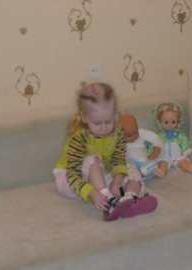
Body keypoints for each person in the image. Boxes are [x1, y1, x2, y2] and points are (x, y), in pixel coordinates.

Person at [53, 82, 158, 221]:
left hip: (100, 175)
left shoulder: (118, 132)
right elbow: (73, 174)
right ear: (84, 117)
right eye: (97, 123)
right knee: (92, 159)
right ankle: (109, 201)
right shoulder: (79, 137)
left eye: (108, 121)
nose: (104, 128)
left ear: (114, 115)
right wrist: (91, 192)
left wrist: (117, 180)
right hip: (70, 179)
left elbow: (119, 159)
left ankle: (129, 199)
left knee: (130, 168)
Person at [153, 101, 192, 177]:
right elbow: (154, 146)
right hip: (164, 157)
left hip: (177, 157)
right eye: (166, 122)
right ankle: (161, 171)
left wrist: (186, 153)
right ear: (160, 122)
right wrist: (151, 153)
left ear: (178, 122)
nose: (170, 125)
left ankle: (189, 167)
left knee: (183, 162)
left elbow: (185, 143)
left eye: (173, 122)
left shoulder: (180, 135)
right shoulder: (159, 136)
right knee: (162, 163)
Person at [119, 114, 164, 182]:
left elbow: (155, 138)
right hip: (131, 164)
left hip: (143, 162)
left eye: (135, 132)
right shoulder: (119, 140)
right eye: (129, 136)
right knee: (124, 166)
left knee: (156, 162)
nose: (134, 136)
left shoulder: (141, 132)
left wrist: (155, 152)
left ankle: (140, 174)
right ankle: (135, 176)